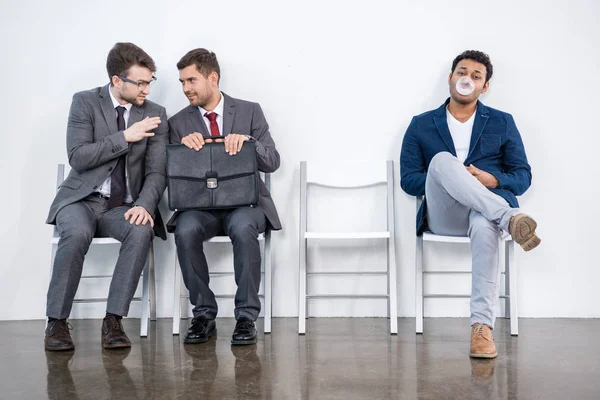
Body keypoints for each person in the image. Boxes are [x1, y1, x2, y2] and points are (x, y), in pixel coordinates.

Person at [400, 50, 540, 358]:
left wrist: (490, 180)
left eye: (476, 76)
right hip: (444, 213)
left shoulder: (503, 122)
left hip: (484, 213)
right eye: (462, 73)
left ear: (485, 86)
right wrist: (448, 177)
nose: (467, 79)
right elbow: (409, 180)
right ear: (451, 78)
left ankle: (481, 329)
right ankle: (510, 219)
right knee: (441, 161)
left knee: (484, 224)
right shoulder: (421, 125)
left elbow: (523, 176)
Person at [45, 42, 168, 351]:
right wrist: (125, 137)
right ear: (117, 81)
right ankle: (57, 322)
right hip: (81, 202)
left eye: (149, 82)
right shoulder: (85, 102)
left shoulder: (155, 114)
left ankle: (113, 320)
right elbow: (78, 156)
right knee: (75, 234)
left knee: (142, 230)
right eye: (139, 83)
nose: (146, 91)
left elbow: (157, 172)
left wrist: (144, 204)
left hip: (122, 207)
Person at [168, 48, 281, 345]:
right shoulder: (178, 123)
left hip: (245, 204)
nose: (186, 88)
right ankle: (203, 313)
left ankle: (245, 317)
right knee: (185, 229)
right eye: (182, 82)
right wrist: (181, 150)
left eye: (191, 80)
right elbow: (169, 174)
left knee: (244, 229)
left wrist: (249, 142)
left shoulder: (249, 111)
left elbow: (272, 161)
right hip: (198, 207)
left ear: (212, 77)